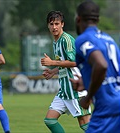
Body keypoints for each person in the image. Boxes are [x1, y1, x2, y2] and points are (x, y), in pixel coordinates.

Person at [70, 1, 120, 133]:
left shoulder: (83, 39)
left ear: (78, 19)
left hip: (106, 110)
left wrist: (87, 98)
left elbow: (101, 65)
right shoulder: (109, 40)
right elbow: (112, 71)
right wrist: (85, 81)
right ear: (98, 19)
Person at [41, 10, 91, 133]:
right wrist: (53, 71)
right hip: (65, 89)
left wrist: (52, 62)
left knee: (86, 125)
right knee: (50, 120)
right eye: (51, 24)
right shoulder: (56, 42)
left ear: (62, 24)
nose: (54, 27)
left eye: (57, 24)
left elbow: (74, 62)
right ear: (48, 25)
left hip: (75, 89)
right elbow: (65, 62)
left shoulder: (66, 40)